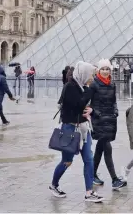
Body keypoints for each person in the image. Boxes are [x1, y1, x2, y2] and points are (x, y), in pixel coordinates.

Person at [49, 61, 102, 203]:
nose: (92, 78)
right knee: (67, 161)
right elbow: (78, 105)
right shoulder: (70, 87)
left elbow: (88, 107)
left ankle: (89, 192)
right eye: (91, 75)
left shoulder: (84, 87)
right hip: (70, 128)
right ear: (84, 74)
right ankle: (54, 185)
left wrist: (92, 111)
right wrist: (89, 92)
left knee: (89, 160)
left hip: (84, 129)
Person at [91, 59, 126, 190]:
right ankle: (114, 179)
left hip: (110, 120)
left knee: (100, 148)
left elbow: (114, 101)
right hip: (99, 121)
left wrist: (116, 110)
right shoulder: (94, 84)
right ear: (98, 70)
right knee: (107, 148)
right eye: (103, 69)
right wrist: (95, 112)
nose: (105, 71)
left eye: (107, 69)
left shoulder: (112, 84)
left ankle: (92, 174)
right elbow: (89, 102)